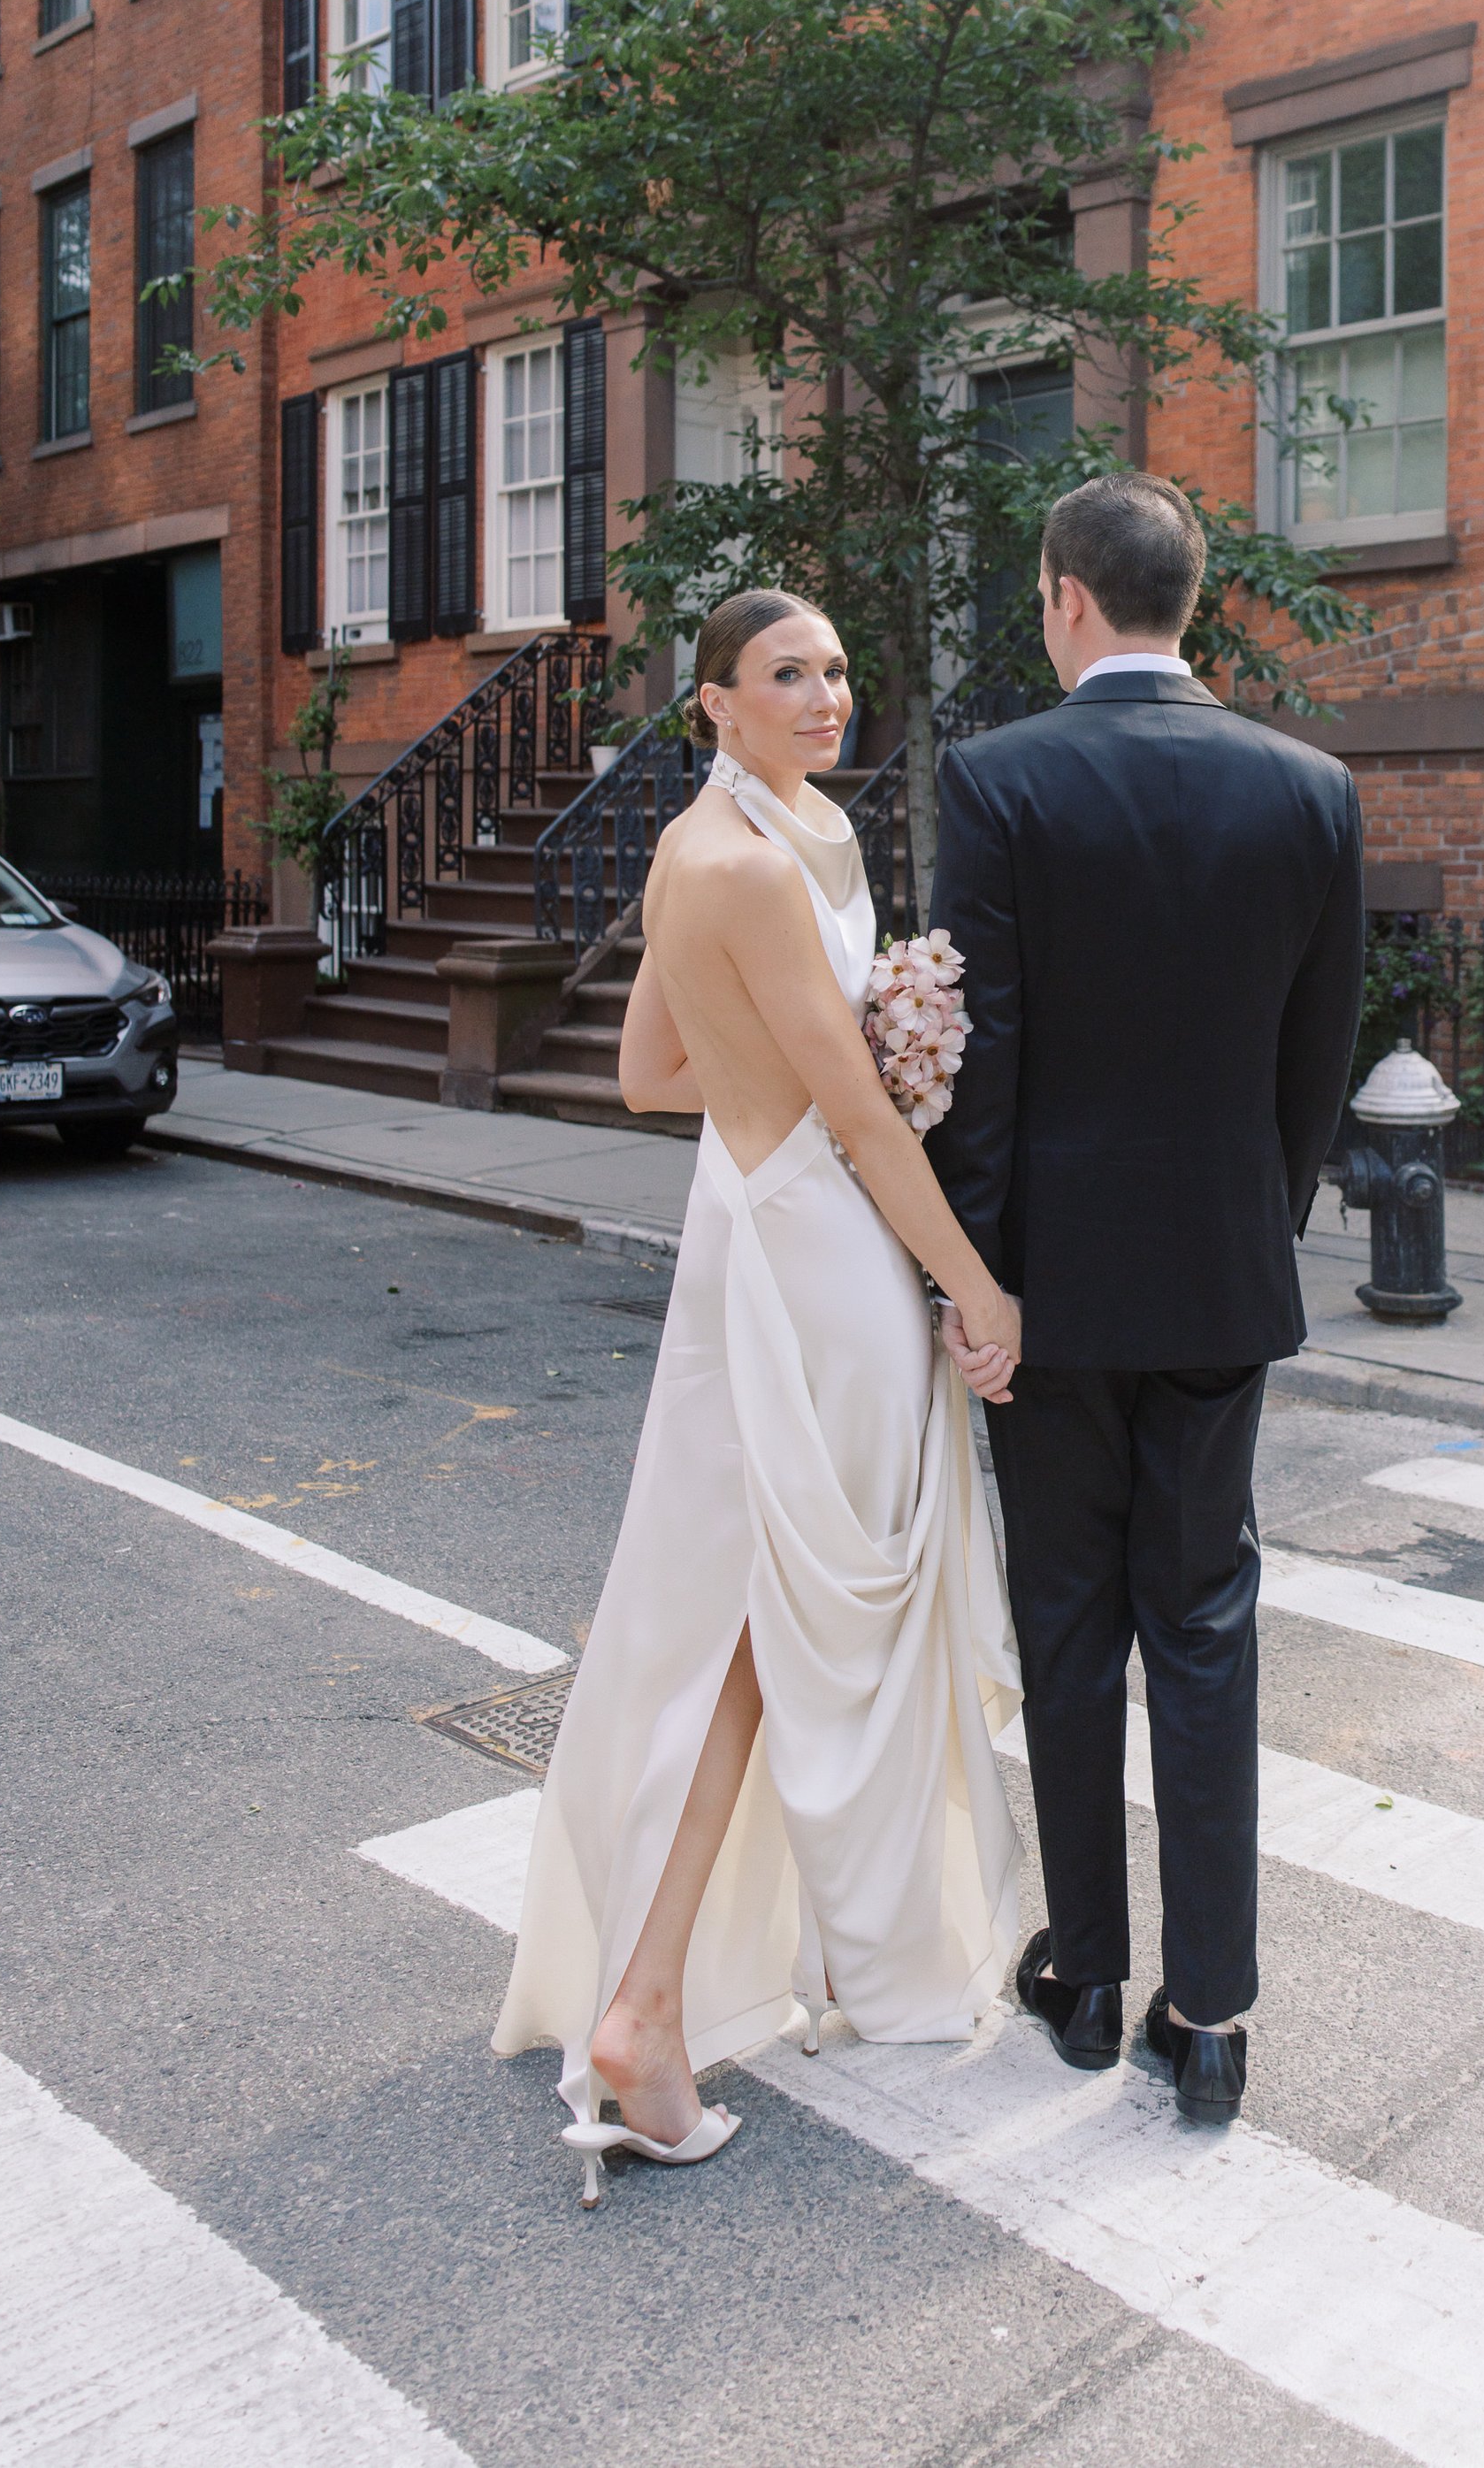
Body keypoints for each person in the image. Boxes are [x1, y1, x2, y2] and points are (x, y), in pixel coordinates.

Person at [493, 589, 1026, 2204]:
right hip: (821, 1253)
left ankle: (703, 1984)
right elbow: (866, 1128)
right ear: (712, 702)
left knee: (762, 1621)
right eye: (787, 676)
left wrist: (795, 1060)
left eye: (841, 671)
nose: (826, 698)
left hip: (750, 1221)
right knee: (778, 1632)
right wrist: (976, 1285)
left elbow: (656, 1072)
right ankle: (654, 2004)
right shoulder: (748, 862)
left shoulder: (755, 840)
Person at [929, 473, 1365, 2126]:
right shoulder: (1308, 789)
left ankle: (1090, 1974)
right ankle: (1215, 2014)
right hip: (1217, 1281)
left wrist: (975, 1283)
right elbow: (1310, 1069)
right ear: (1193, 598)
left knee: (1068, 1620)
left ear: (1063, 599)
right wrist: (1257, 1226)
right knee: (1205, 1622)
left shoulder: (1003, 780)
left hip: (1048, 1290)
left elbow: (982, 1065)